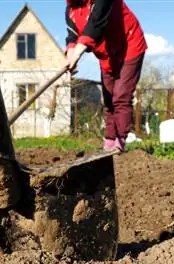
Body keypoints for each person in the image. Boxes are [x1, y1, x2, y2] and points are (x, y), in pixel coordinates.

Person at [64, 0, 147, 152]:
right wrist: (70, 53)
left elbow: (96, 23)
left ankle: (120, 143)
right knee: (108, 98)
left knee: (121, 95)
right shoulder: (71, 10)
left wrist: (77, 53)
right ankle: (109, 142)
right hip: (106, 54)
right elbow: (72, 36)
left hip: (129, 44)